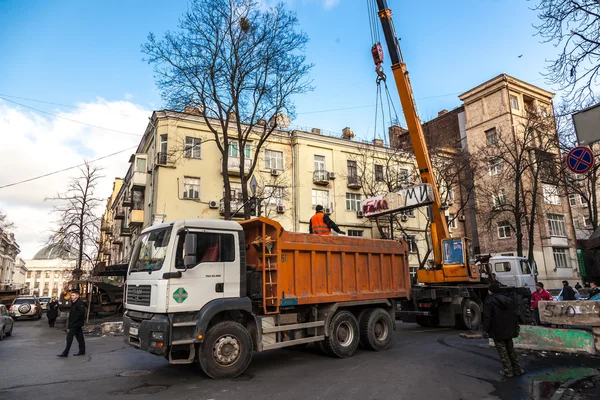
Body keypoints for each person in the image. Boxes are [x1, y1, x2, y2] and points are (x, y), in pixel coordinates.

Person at [482, 282, 524, 378]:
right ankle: (517, 369)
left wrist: (485, 330)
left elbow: (487, 317)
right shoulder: (508, 300)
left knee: (502, 352)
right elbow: (514, 315)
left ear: (491, 291)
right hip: (509, 328)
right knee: (511, 349)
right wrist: (515, 327)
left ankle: (508, 371)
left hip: (497, 329)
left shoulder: (489, 301)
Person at [57, 290, 87, 357]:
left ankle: (65, 352)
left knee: (69, 336)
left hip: (76, 323)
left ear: (77, 296)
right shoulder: (74, 302)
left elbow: (81, 313)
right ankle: (82, 351)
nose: (71, 296)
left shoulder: (79, 303)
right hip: (75, 323)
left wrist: (74, 321)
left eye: (73, 295)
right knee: (80, 337)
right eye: (71, 295)